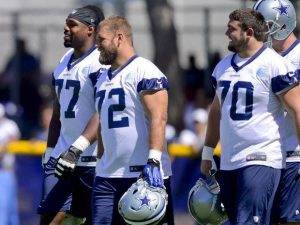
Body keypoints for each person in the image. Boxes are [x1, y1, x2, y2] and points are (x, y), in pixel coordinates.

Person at [200, 9, 300, 225]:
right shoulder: (222, 67)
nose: (226, 32)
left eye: (232, 28)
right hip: (229, 161)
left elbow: (297, 109)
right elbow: (216, 111)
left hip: (262, 158)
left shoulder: (274, 64)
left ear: (249, 32)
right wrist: (207, 151)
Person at [92, 16, 174, 225]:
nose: (97, 45)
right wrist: (101, 158)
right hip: (107, 175)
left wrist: (153, 161)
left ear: (119, 38)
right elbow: (103, 122)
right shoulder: (102, 77)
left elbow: (159, 117)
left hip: (143, 175)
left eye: (101, 39)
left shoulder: (144, 70)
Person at [37, 5, 105, 225]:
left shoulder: (99, 63)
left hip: (92, 161)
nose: (66, 29)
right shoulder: (65, 59)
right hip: (60, 159)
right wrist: (49, 149)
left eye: (72, 24)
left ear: (90, 29)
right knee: (48, 219)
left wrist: (77, 150)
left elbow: (101, 112)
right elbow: (58, 111)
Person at [254, 0, 300, 224]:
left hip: (295, 155)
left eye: (265, 25)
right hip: (268, 159)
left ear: (283, 24)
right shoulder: (263, 59)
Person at [0, 103, 20, 225]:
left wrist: (4, 147)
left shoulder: (9, 125)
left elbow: (14, 140)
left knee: (10, 208)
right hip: (3, 171)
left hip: (7, 170)